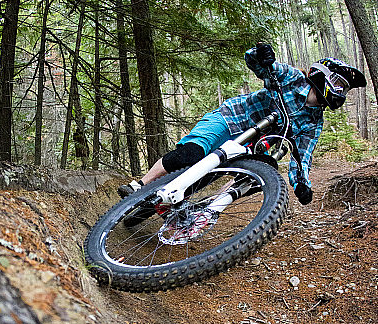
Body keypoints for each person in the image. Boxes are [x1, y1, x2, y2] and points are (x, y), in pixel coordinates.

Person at [118, 43, 366, 206]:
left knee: (247, 180)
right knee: (190, 154)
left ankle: (207, 210)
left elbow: (303, 157)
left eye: (345, 88)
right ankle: (140, 184)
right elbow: (261, 66)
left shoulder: (314, 123)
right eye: (340, 83)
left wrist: (302, 184)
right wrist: (262, 56)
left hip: (251, 143)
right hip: (230, 119)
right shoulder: (293, 78)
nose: (341, 91)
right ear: (323, 75)